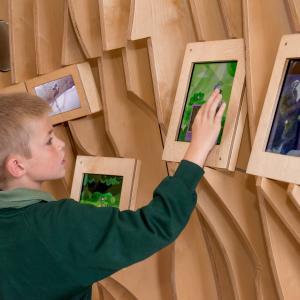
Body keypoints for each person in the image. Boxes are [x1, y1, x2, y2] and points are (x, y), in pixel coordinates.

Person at [0, 89, 225, 300]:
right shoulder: (58, 224)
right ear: (17, 166)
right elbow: (154, 224)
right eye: (49, 140)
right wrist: (198, 149)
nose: (60, 144)